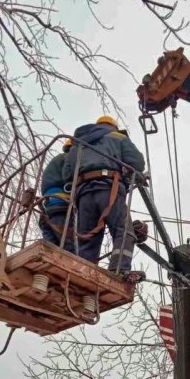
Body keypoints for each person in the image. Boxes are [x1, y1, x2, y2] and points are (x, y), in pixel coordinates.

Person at [62, 115, 145, 276]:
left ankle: (83, 274)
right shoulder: (118, 137)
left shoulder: (78, 143)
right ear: (113, 126)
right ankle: (119, 270)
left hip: (83, 195)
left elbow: (67, 174)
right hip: (109, 189)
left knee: (87, 239)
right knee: (124, 231)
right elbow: (137, 162)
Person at [39, 138, 74, 253]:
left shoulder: (56, 160)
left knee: (51, 250)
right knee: (70, 250)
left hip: (49, 208)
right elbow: (69, 177)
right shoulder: (69, 159)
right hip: (62, 205)